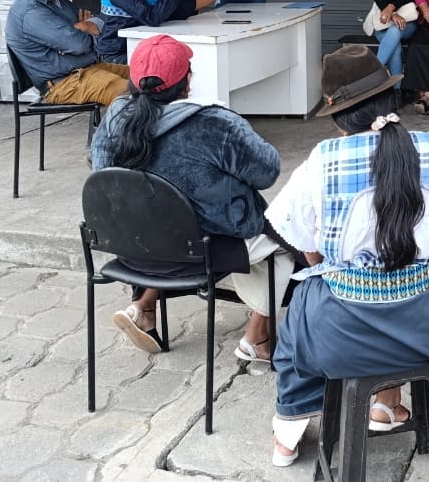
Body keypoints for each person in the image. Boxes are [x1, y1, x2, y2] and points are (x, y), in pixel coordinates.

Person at [265, 45, 429, 467]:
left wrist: (337, 272)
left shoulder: (323, 160)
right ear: (391, 96)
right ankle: (386, 404)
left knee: (300, 317)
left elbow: (301, 237)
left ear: (336, 112)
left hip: (340, 335)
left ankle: (288, 436)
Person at [89, 34, 295, 364]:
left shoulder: (115, 116)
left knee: (164, 219)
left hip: (134, 247)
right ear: (186, 82)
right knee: (285, 241)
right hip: (204, 251)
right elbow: (267, 172)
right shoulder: (213, 123)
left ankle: (143, 307)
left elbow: (100, 170)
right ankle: (257, 338)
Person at [4, 0, 130, 106]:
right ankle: (124, 122)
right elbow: (79, 44)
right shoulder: (30, 13)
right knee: (130, 93)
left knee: (146, 77)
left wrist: (83, 29)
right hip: (63, 83)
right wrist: (86, 30)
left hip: (87, 69)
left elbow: (98, 21)